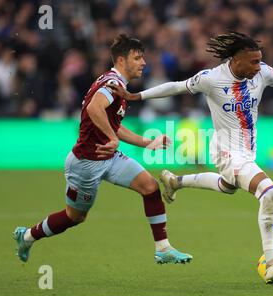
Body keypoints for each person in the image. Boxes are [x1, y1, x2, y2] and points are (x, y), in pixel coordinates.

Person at [109, 31, 273, 284]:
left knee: (228, 186)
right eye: (253, 62)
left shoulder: (263, 72)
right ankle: (272, 262)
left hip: (246, 152)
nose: (258, 66)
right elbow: (176, 87)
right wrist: (137, 96)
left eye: (259, 61)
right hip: (226, 152)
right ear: (236, 60)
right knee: (270, 192)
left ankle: (176, 182)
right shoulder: (211, 79)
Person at [13, 34, 192, 265]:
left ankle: (163, 249)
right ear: (121, 60)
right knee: (75, 217)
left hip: (108, 156)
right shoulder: (112, 82)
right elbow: (95, 108)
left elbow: (114, 126)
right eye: (137, 58)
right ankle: (27, 236)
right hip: (87, 162)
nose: (143, 62)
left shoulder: (118, 85)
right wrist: (111, 138)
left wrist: (147, 142)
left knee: (149, 187)